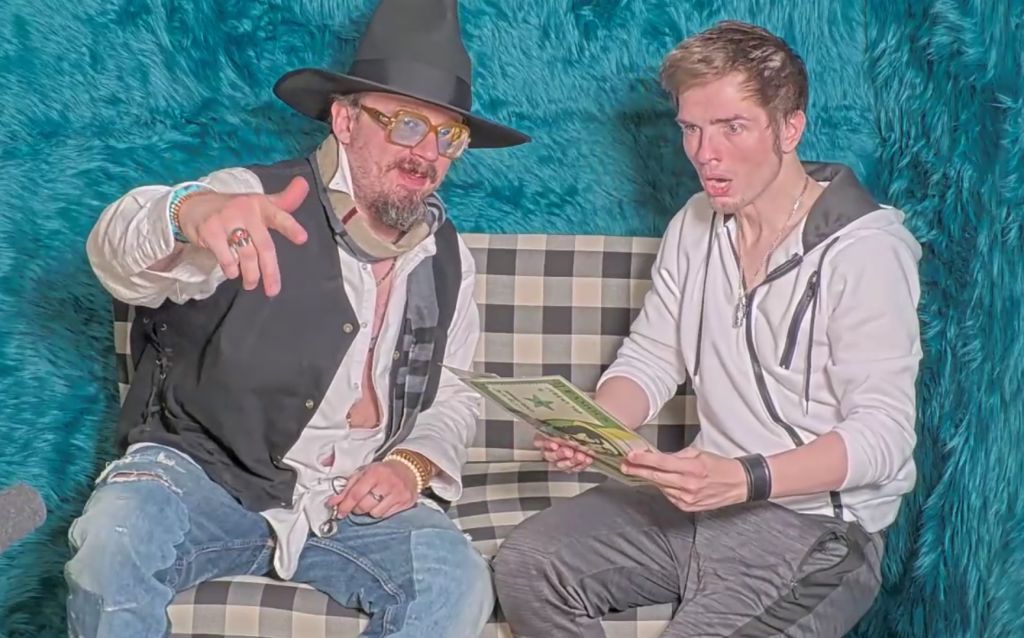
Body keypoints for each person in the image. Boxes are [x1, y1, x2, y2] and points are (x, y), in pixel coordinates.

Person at [65, 1, 529, 637]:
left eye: (449, 136)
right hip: (202, 475)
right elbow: (116, 253)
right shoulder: (248, 198)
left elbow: (451, 393)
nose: (428, 153)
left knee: (460, 583)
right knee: (112, 546)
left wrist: (411, 465)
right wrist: (189, 213)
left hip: (348, 498)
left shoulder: (449, 258)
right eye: (406, 124)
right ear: (344, 119)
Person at [494, 20, 920, 638]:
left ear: (789, 129)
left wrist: (746, 477)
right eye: (691, 128)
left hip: (814, 531)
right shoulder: (695, 222)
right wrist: (594, 424)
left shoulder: (868, 251)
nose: (704, 153)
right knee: (529, 563)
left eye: (731, 127)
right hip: (695, 504)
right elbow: (652, 356)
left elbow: (885, 438)